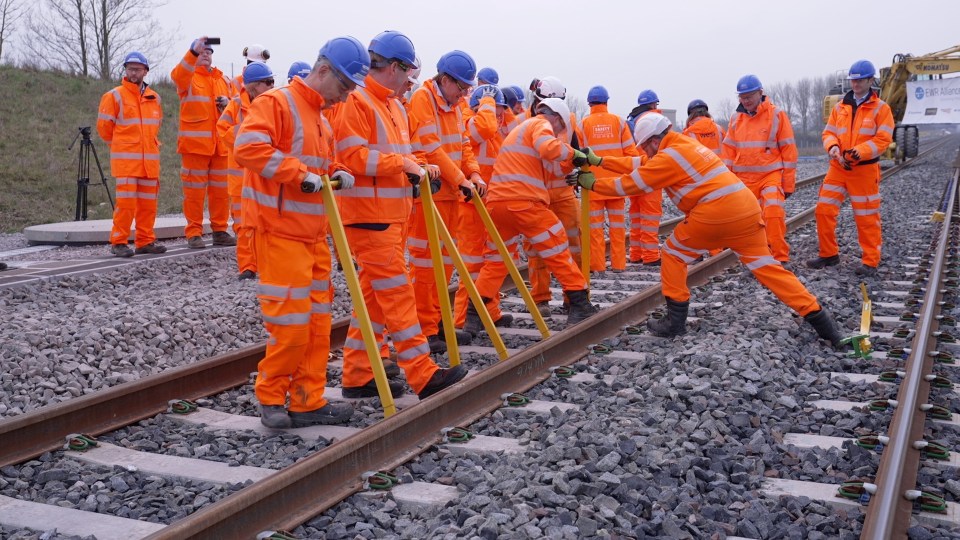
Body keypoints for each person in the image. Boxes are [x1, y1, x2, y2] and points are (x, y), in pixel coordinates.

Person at [571, 113, 843, 347]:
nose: (645, 152)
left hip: (715, 213)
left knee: (673, 254)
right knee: (768, 268)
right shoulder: (683, 144)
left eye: (645, 146)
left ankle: (675, 322)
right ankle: (822, 322)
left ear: (654, 140)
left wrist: (593, 185)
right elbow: (640, 164)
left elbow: (631, 184)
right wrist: (600, 161)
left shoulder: (668, 156)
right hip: (747, 211)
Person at [233, 36, 368, 429]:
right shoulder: (277, 103)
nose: (343, 97)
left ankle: (307, 401)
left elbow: (315, 168)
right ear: (322, 71)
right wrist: (300, 176)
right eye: (343, 87)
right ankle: (271, 397)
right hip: (280, 236)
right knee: (291, 329)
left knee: (316, 328)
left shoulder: (322, 120)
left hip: (313, 238)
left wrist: (335, 170)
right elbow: (248, 148)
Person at [335, 30, 467, 400]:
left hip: (392, 215)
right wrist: (403, 163)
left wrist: (420, 166)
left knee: (375, 301)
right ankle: (422, 374)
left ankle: (359, 374)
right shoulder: (357, 101)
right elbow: (351, 157)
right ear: (393, 67)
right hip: (368, 216)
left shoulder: (393, 105)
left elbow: (405, 153)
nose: (408, 82)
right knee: (397, 295)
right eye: (406, 73)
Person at [463, 98, 598, 335]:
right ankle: (580, 303)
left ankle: (474, 316)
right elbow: (549, 147)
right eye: (559, 130)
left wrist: (570, 165)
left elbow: (549, 167)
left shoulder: (518, 132)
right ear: (556, 117)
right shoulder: (540, 123)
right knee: (557, 247)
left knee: (496, 261)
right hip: (524, 204)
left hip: (497, 205)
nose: (557, 134)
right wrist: (574, 152)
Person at [407, 49, 483, 352]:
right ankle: (425, 330)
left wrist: (474, 174)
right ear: (446, 80)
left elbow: (463, 144)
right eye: (461, 87)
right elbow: (432, 147)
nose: (465, 94)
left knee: (446, 264)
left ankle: (439, 322)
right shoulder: (422, 100)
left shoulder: (456, 106)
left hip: (450, 195)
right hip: (430, 195)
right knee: (427, 266)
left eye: (468, 89)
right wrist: (461, 180)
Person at [807, 60, 894, 277]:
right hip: (838, 168)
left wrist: (859, 152)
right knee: (824, 210)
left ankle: (870, 261)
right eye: (853, 80)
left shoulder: (881, 109)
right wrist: (834, 148)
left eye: (859, 80)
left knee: (866, 217)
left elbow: (883, 139)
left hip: (864, 171)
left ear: (870, 81)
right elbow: (828, 133)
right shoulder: (840, 108)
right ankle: (829, 254)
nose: (855, 84)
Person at [453, 85, 513, 332]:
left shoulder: (497, 130)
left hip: (489, 203)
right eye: (495, 110)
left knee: (493, 261)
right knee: (472, 264)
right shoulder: (468, 121)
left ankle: (490, 312)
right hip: (470, 204)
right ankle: (463, 319)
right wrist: (488, 100)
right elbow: (483, 128)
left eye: (500, 111)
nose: (499, 116)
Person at [524, 76, 584, 316]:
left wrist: (577, 171)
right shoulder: (525, 122)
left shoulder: (568, 121)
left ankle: (574, 297)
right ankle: (540, 299)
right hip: (536, 194)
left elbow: (577, 149)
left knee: (573, 244)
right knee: (535, 249)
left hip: (561, 192)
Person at [721, 75, 798, 264]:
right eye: (742, 97)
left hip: (769, 175)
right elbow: (729, 151)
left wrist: (787, 183)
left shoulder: (777, 115)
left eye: (749, 96)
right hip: (743, 178)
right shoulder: (735, 119)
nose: (746, 101)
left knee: (773, 212)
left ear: (760, 93)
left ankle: (779, 257)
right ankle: (755, 258)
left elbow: (788, 150)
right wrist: (725, 182)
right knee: (746, 221)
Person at [97, 51, 166, 257]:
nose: (133, 73)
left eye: (137, 69)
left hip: (149, 163)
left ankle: (145, 241)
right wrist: (121, 146)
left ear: (145, 71)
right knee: (126, 205)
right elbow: (104, 128)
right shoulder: (114, 96)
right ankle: (118, 241)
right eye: (130, 69)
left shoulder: (155, 98)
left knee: (148, 205)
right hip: (127, 162)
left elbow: (155, 127)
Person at [170, 37, 236, 249]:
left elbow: (237, 106)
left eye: (208, 51)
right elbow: (178, 75)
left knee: (220, 193)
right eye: (202, 52)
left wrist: (228, 104)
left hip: (220, 147)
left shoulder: (223, 80)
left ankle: (219, 230)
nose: (206, 54)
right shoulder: (188, 78)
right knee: (194, 193)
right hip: (195, 147)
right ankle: (194, 233)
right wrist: (192, 52)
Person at [217, 61, 275, 280]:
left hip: (264, 178)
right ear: (253, 86)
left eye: (272, 81)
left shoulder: (273, 104)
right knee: (243, 225)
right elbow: (223, 131)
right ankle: (247, 267)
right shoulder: (235, 106)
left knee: (266, 223)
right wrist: (249, 135)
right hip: (240, 180)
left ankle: (266, 264)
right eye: (267, 82)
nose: (272, 85)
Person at [579, 85, 639, 273]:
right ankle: (619, 265)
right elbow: (631, 153)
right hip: (616, 185)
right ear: (606, 102)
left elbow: (578, 155)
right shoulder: (619, 123)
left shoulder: (582, 124)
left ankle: (597, 266)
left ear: (590, 103)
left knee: (595, 230)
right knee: (618, 227)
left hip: (593, 186)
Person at [624, 89, 663, 265]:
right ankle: (650, 256)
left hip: (633, 173)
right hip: (652, 172)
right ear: (654, 104)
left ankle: (635, 254)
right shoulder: (656, 121)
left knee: (636, 215)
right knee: (650, 216)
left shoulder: (630, 121)